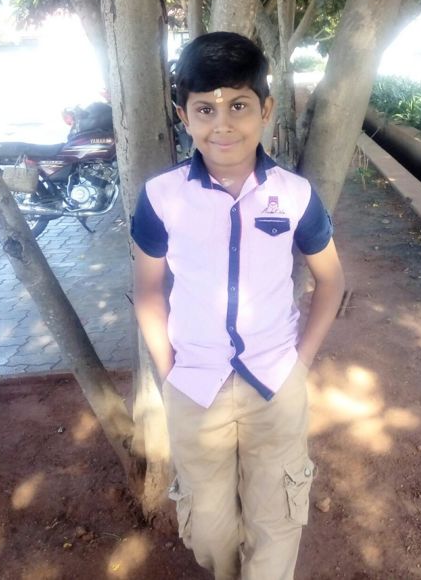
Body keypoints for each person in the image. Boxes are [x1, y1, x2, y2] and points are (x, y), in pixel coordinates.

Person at [131, 31, 345, 580]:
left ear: (265, 110)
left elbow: (330, 282)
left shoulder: (294, 195)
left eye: (239, 106)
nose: (222, 124)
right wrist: (169, 371)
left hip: (275, 383)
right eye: (205, 109)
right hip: (193, 384)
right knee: (208, 530)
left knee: (277, 525)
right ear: (184, 116)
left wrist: (301, 363)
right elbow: (149, 291)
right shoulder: (161, 197)